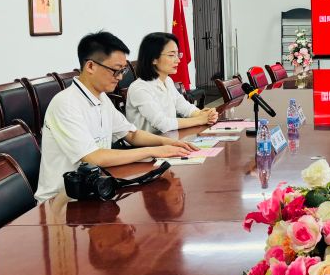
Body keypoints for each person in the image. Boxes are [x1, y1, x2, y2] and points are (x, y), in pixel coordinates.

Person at [35, 31, 198, 203]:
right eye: (115, 70)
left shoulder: (102, 98)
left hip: (97, 189)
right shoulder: (66, 103)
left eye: (123, 70)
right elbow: (93, 157)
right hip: (61, 201)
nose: (120, 77)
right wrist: (153, 150)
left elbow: (131, 134)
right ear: (90, 66)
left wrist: (168, 142)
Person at [126, 32, 218, 134]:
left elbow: (185, 108)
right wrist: (200, 120)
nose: (178, 60)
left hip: (170, 137)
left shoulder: (167, 81)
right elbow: (162, 123)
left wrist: (203, 114)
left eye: (177, 55)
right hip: (150, 142)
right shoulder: (139, 88)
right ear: (153, 59)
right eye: (171, 55)